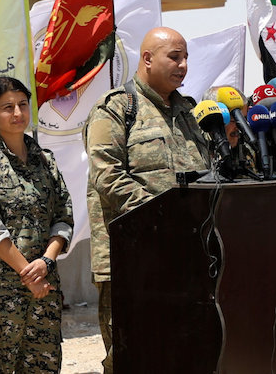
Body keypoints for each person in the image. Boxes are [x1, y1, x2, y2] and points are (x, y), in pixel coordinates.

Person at [84, 27, 210, 374]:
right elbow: (106, 175)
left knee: (184, 351)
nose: (183, 65)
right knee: (133, 356)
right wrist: (164, 218)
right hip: (132, 258)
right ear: (148, 59)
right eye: (175, 56)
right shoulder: (116, 110)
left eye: (185, 57)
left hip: (187, 256)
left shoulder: (188, 111)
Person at [0, 76, 73, 374]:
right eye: (7, 107)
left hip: (43, 293)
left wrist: (46, 262)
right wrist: (29, 273)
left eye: (23, 105)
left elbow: (63, 217)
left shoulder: (45, 161)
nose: (17, 114)